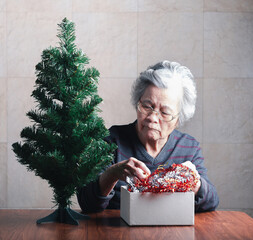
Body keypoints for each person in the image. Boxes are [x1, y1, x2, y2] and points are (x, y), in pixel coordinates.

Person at [77, 60, 219, 213]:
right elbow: (87, 203)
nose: (152, 117)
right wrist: (113, 174)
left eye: (164, 112)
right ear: (137, 103)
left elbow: (211, 203)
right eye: (147, 106)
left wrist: (194, 182)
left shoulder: (189, 148)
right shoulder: (112, 140)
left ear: (178, 119)